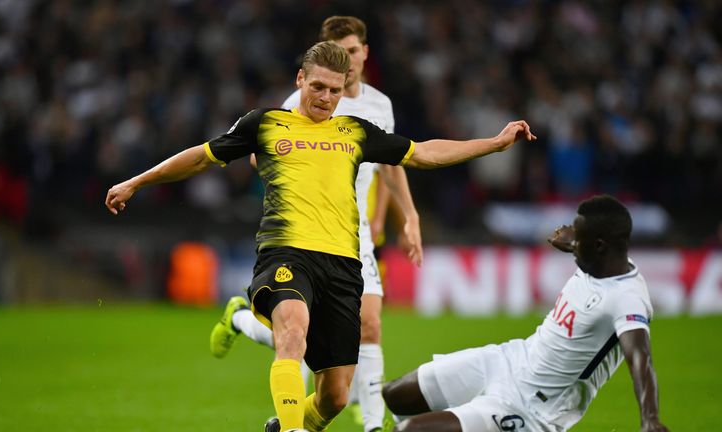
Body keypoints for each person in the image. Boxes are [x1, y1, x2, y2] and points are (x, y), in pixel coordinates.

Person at [105, 40, 535, 432]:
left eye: (334, 90)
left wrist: (492, 144)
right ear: (300, 80)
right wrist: (137, 182)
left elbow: (422, 153)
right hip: (286, 252)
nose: (326, 98)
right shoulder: (266, 124)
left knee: (334, 395)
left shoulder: (355, 131)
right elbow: (201, 158)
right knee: (292, 331)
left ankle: (293, 426)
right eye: (318, 87)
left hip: (344, 265)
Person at [209, 15, 422, 432]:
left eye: (354, 51)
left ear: (364, 53)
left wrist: (403, 217)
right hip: (305, 229)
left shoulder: (380, 105)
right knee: (297, 334)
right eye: (340, 52)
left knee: (371, 321)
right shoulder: (301, 101)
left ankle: (371, 421)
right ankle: (244, 323)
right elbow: (263, 152)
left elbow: (392, 163)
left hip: (354, 230)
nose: (349, 59)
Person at [381, 195, 670, 432]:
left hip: (531, 408)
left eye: (577, 238)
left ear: (599, 246)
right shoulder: (600, 258)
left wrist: (650, 419)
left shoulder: (627, 298)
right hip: (509, 359)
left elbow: (640, 358)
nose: (572, 244)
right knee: (394, 395)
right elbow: (580, 244)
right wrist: (571, 240)